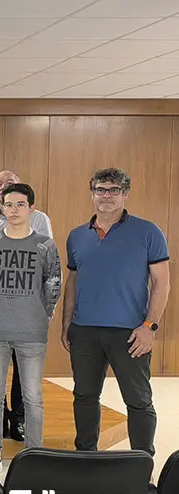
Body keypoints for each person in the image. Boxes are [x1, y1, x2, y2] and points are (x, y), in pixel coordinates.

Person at [62, 167, 169, 457]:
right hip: (84, 330)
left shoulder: (148, 232)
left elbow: (162, 282)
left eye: (114, 190)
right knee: (84, 396)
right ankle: (85, 458)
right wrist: (66, 323)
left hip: (131, 332)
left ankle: (141, 464)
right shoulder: (76, 236)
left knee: (138, 401)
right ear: (92, 194)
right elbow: (73, 281)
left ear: (125, 194)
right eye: (100, 189)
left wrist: (150, 326)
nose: (106, 196)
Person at [0, 183, 61, 473]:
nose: (14, 210)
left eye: (20, 204)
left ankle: (33, 454)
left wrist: (42, 314)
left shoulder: (44, 245)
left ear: (32, 208)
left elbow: (53, 282)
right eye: (8, 205)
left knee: (32, 396)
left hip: (32, 333)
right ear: (1, 208)